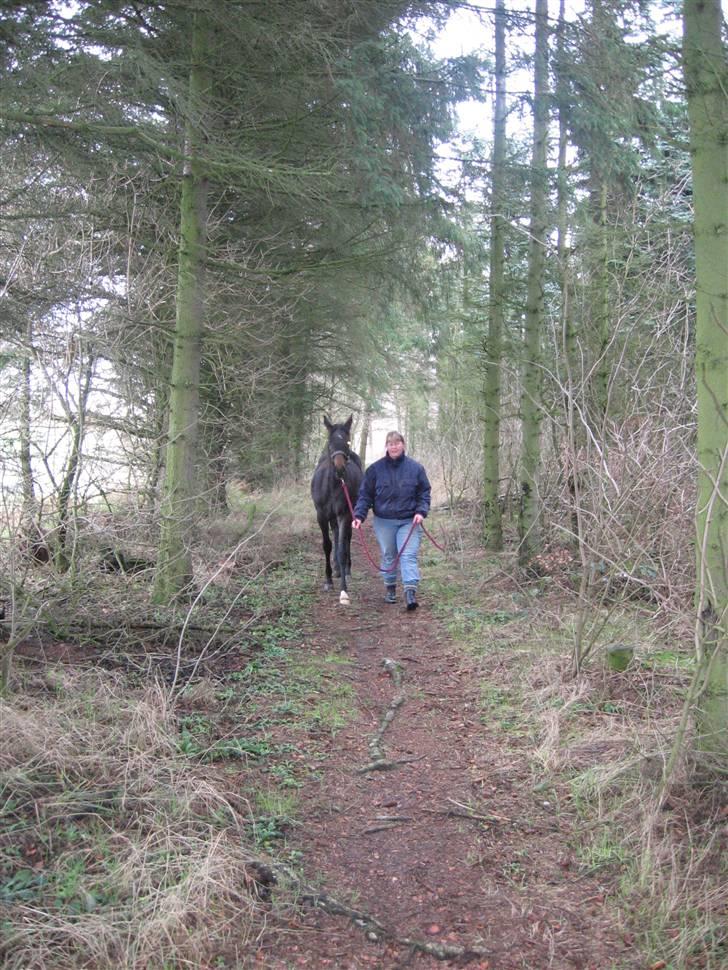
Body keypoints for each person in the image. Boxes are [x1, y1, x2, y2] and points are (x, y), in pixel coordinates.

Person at [352, 430, 431, 611]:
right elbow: (365, 496)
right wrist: (359, 516)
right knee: (389, 554)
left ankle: (410, 592)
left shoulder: (416, 468)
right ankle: (390, 588)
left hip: (409, 520)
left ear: (403, 445)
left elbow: (424, 493)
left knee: (408, 555)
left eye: (397, 443)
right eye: (390, 443)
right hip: (384, 520)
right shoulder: (374, 470)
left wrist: (421, 511)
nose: (394, 446)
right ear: (386, 447)